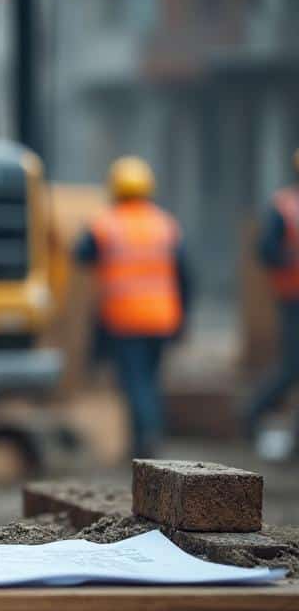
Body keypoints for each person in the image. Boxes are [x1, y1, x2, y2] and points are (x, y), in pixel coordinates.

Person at [76, 155, 191, 459]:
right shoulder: (165, 224)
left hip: (125, 319)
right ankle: (145, 440)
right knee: (150, 380)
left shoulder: (106, 224)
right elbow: (185, 275)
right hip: (162, 318)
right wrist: (184, 319)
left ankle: (147, 439)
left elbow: (81, 254)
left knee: (135, 383)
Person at [243, 149, 299, 457]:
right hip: (294, 301)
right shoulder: (285, 207)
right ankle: (252, 413)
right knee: (292, 367)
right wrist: (287, 259)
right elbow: (266, 250)